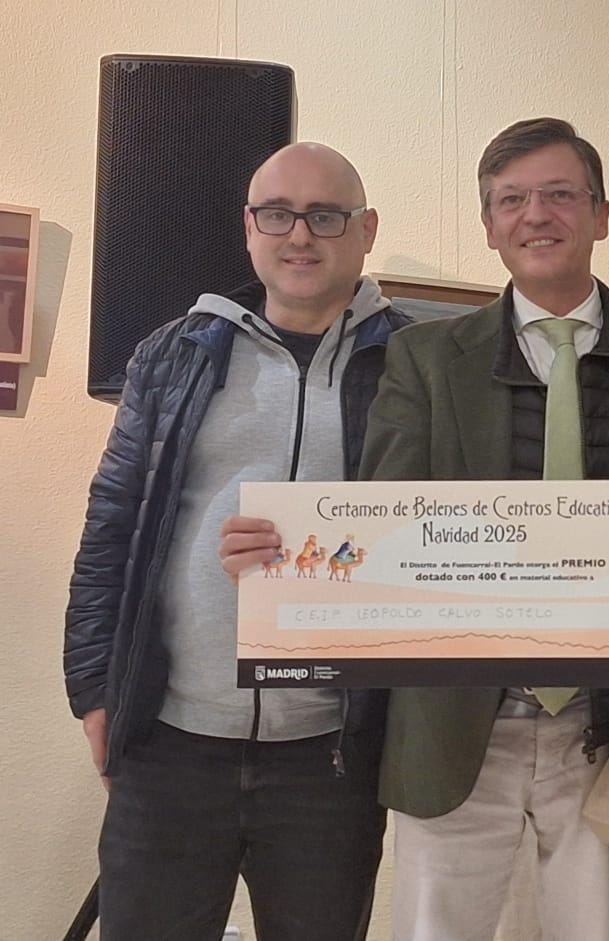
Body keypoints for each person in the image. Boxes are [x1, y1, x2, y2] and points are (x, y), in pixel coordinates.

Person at [64, 142, 409, 939]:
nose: (301, 235)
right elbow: (112, 523)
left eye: (326, 216)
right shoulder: (174, 352)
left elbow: (438, 532)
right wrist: (93, 688)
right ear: (249, 228)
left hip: (330, 756)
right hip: (171, 744)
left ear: (366, 230)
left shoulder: (414, 362)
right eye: (278, 215)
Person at [358, 116, 609, 941]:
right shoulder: (425, 359)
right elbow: (386, 525)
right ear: (490, 225)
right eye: (512, 200)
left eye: (560, 194)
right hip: (455, 722)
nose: (537, 214)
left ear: (602, 214)